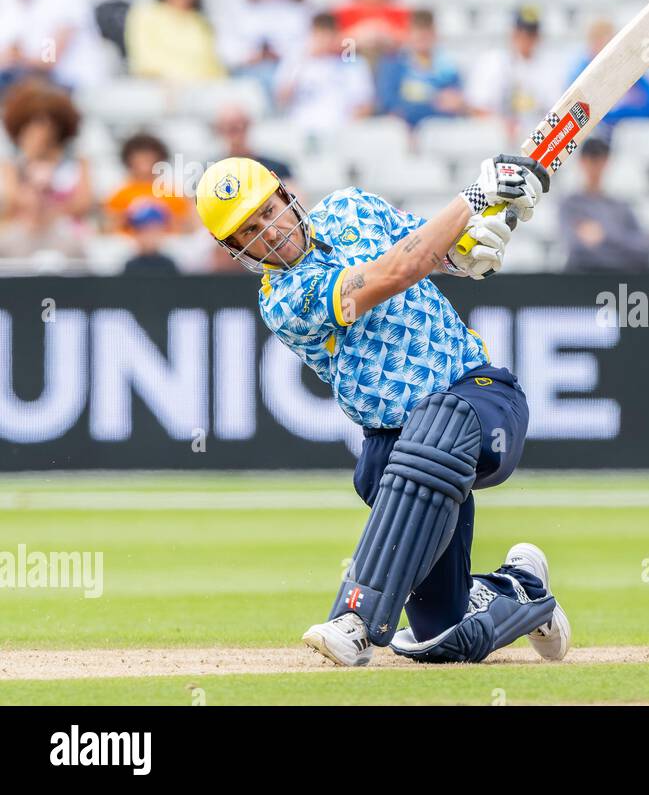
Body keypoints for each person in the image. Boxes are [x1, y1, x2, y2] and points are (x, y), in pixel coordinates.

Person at [192, 146, 569, 667]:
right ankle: (520, 587)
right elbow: (392, 273)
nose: (271, 232)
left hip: (479, 396)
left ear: (286, 196)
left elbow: (432, 249)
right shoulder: (283, 299)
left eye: (268, 212)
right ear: (237, 250)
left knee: (440, 422)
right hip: (399, 439)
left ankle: (357, 620)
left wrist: (476, 240)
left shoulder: (352, 208)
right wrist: (476, 195)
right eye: (250, 232)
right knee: (442, 639)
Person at [0, 79, 93, 259]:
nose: (42, 131)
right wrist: (29, 156)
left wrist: (49, 211)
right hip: (23, 237)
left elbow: (83, 205)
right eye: (33, 123)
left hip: (67, 236)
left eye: (48, 123)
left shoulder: (77, 162)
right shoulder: (12, 164)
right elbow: (11, 204)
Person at [215, 0, 313, 102]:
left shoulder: (303, 10)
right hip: (244, 74)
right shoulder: (239, 5)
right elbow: (226, 47)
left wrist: (286, 69)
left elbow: (305, 48)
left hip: (288, 77)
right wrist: (251, 56)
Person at [559, 135, 649, 273]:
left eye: (600, 159)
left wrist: (604, 236)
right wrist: (620, 247)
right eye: (591, 159)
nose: (595, 165)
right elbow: (576, 249)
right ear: (582, 162)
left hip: (617, 283)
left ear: (607, 161)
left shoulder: (620, 205)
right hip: (582, 282)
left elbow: (643, 249)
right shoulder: (570, 205)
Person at [125, 0, 225, 82]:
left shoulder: (201, 23)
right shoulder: (145, 13)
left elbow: (214, 68)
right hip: (159, 89)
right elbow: (144, 62)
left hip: (202, 90)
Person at [465, 6, 564, 136]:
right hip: (495, 138)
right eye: (521, 32)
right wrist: (501, 124)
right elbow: (476, 107)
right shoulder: (493, 62)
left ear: (538, 36)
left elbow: (557, 113)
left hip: (535, 139)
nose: (525, 38)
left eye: (531, 33)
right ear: (513, 33)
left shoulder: (549, 69)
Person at [275, 12, 375, 136]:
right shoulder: (295, 59)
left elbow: (364, 105)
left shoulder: (352, 62)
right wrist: (303, 60)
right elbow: (282, 99)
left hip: (341, 129)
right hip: (301, 127)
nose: (324, 41)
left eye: (329, 35)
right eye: (319, 35)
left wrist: (348, 130)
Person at [376, 9, 466, 128]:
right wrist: (434, 102)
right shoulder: (393, 65)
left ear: (434, 34)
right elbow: (389, 104)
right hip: (405, 130)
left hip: (440, 129)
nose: (422, 38)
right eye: (417, 33)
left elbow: (452, 104)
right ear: (408, 34)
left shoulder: (448, 68)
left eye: (426, 33)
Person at [568, 17, 649, 127]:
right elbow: (581, 115)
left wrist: (622, 113)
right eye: (599, 41)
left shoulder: (628, 68)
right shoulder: (580, 76)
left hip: (632, 131)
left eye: (609, 41)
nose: (605, 47)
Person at [103, 132, 195, 235]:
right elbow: (110, 229)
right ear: (129, 160)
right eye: (139, 156)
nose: (144, 161)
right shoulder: (118, 194)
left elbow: (187, 227)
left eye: (148, 156)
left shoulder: (173, 192)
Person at [120, 204, 181, 276]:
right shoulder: (129, 266)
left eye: (153, 230)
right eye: (142, 230)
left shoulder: (169, 265)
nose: (148, 237)